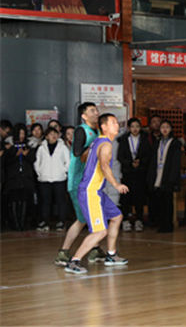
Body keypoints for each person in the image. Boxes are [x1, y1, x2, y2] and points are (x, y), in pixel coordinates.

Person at [64, 114, 129, 274]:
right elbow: (105, 166)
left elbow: (84, 157)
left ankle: (111, 255)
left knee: (117, 217)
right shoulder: (105, 144)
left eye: (116, 122)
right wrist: (116, 184)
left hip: (96, 191)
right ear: (104, 127)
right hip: (90, 192)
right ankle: (74, 261)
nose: (117, 125)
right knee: (100, 231)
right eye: (113, 122)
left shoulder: (97, 141)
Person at [54, 102, 106, 266]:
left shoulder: (98, 131)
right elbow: (77, 152)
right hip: (78, 182)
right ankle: (63, 252)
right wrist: (95, 146)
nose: (96, 113)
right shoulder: (81, 130)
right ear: (84, 116)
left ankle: (95, 249)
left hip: (91, 182)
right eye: (92, 111)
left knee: (92, 216)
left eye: (96, 110)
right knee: (83, 218)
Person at [147, 120, 183, 233]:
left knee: (168, 200)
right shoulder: (157, 142)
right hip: (158, 173)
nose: (165, 129)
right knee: (159, 199)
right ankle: (159, 223)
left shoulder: (175, 143)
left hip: (168, 174)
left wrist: (172, 178)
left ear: (171, 129)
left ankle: (168, 225)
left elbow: (176, 162)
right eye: (163, 127)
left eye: (167, 127)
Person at [118, 118, 152, 232]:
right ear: (129, 128)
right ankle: (125, 220)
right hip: (127, 172)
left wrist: (140, 162)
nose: (135, 129)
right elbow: (120, 156)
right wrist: (130, 163)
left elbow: (148, 155)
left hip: (141, 172)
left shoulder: (145, 139)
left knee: (139, 197)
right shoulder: (123, 139)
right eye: (132, 126)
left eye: (137, 126)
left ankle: (139, 220)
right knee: (125, 197)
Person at [34, 127, 70, 232]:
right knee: (45, 202)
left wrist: (63, 171)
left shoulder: (63, 147)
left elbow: (68, 162)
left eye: (55, 133)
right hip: (44, 179)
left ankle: (61, 221)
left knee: (61, 201)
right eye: (50, 134)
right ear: (46, 136)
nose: (53, 136)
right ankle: (45, 221)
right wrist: (40, 172)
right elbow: (37, 162)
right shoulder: (41, 148)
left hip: (59, 178)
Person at [3, 124, 37, 230]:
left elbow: (33, 160)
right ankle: (15, 224)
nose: (21, 136)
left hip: (26, 177)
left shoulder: (29, 146)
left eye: (23, 133)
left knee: (24, 200)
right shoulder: (10, 146)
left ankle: (22, 224)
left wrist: (26, 155)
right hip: (13, 178)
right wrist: (16, 155)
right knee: (14, 200)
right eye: (19, 133)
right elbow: (5, 162)